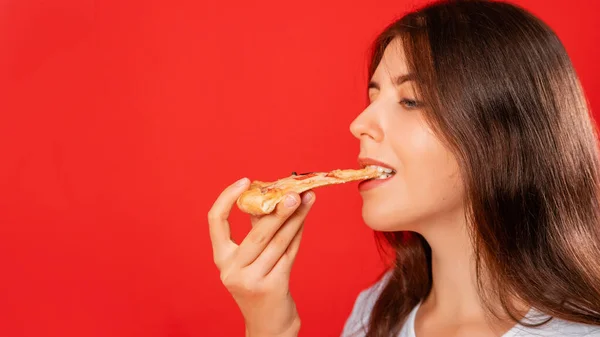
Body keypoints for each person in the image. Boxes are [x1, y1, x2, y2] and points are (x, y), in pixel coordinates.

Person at [207, 0, 600, 336]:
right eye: (372, 95)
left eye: (410, 100)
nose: (358, 123)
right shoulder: (374, 315)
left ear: (504, 134)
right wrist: (270, 322)